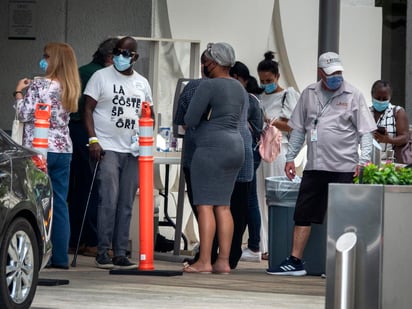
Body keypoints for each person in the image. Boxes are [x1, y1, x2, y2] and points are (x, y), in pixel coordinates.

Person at [268, 52, 376, 276]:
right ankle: (295, 261)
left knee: (343, 217)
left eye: (338, 72)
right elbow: (298, 129)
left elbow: (366, 132)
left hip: (345, 167)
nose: (336, 77)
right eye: (330, 74)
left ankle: (340, 265)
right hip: (315, 165)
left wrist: (364, 161)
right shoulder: (309, 93)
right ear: (320, 73)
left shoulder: (353, 94)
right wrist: (290, 157)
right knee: (303, 213)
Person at [83, 36, 154, 269]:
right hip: (107, 146)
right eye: (117, 52)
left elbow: (149, 114)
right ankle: (103, 250)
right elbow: (88, 109)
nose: (120, 57)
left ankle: (120, 252)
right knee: (108, 199)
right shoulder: (100, 77)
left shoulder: (142, 83)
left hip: (132, 149)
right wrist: (93, 139)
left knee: (126, 202)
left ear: (135, 57)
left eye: (125, 53)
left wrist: (144, 138)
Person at [14, 42, 81, 269]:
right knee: (60, 202)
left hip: (39, 149)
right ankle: (61, 257)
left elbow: (24, 114)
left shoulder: (39, 85)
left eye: (46, 56)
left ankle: (39, 255)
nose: (43, 59)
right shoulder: (70, 86)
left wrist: (18, 92)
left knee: (36, 203)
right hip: (63, 149)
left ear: (54, 60)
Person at [183, 42, 247, 274]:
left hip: (211, 147)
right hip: (235, 146)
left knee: (205, 205)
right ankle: (223, 261)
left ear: (214, 63)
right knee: (224, 206)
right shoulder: (239, 87)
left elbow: (190, 119)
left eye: (206, 61)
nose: (204, 66)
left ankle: (204, 262)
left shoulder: (208, 86)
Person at [68, 37, 119, 257]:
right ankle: (90, 239)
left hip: (76, 131)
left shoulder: (85, 70)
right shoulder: (98, 75)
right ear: (110, 57)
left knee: (79, 188)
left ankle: (77, 239)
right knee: (93, 188)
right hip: (87, 133)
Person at [256, 51, 300, 259]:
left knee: (277, 196)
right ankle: (264, 245)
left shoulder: (288, 94)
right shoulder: (259, 96)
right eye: (263, 81)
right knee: (259, 196)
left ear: (277, 77)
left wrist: (268, 121)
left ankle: (278, 243)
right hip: (261, 148)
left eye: (269, 80)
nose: (266, 84)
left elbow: (292, 125)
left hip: (279, 148)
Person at [229, 61, 265, 263]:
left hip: (248, 153)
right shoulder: (255, 98)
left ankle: (253, 245)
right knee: (250, 199)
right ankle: (253, 245)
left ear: (237, 78)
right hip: (253, 152)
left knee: (249, 200)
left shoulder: (247, 99)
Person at [370, 80, 410, 160]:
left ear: (390, 97)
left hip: (390, 163)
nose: (381, 101)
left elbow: (405, 137)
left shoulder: (398, 112)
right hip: (368, 162)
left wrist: (389, 140)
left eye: (384, 99)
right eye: (378, 98)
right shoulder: (366, 113)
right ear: (372, 95)